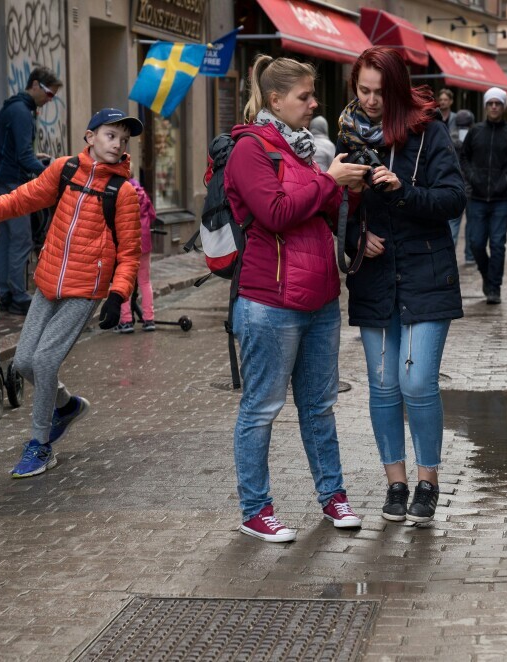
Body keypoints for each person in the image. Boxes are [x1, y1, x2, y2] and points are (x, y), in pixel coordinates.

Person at [224, 54, 371, 543]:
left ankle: (334, 498)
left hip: (321, 297)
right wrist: (329, 181)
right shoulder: (250, 150)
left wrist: (348, 188)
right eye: (304, 96)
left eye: (313, 95)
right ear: (275, 100)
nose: (314, 103)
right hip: (269, 301)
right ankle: (255, 509)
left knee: (319, 407)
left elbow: (323, 209)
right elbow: (275, 212)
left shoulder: (303, 149)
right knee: (261, 409)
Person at [0, 108, 143, 478]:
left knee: (43, 362)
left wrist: (118, 296)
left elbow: (130, 252)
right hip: (49, 281)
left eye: (123, 139)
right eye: (110, 135)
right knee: (23, 362)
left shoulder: (123, 193)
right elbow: (23, 198)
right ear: (90, 137)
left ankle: (40, 445)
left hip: (86, 289)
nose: (117, 144)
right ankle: (67, 406)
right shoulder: (65, 170)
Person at [338, 47, 466, 524]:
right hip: (375, 279)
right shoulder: (347, 139)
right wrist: (356, 236)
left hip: (425, 274)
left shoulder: (427, 132)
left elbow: (454, 198)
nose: (371, 100)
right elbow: (338, 208)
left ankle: (427, 482)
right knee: (384, 385)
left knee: (417, 381)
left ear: (396, 88)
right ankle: (396, 482)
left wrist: (404, 191)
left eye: (380, 91)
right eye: (363, 90)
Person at [0, 66, 63, 315]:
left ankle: (3, 293)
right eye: (49, 94)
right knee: (21, 238)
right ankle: (18, 295)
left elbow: (14, 151)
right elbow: (22, 157)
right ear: (35, 85)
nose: (49, 99)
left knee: (8, 239)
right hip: (14, 183)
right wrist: (51, 172)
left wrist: (36, 158)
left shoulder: (14, 108)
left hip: (5, 181)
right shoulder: (22, 112)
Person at [461, 87, 507, 304]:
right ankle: (487, 275)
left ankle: (495, 287)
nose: (494, 107)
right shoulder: (475, 131)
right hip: (476, 197)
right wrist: (472, 177)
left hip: (502, 198)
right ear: (486, 106)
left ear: (503, 107)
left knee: (497, 243)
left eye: (498, 103)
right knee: (476, 242)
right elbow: (463, 157)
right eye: (490, 103)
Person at [116, 177, 157, 333]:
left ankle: (126, 321)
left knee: (124, 282)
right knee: (145, 282)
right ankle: (149, 319)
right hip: (143, 242)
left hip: (126, 243)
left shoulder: (120, 192)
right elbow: (152, 214)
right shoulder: (142, 193)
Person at [450, 109, 475, 264]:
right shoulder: (475, 136)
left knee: (453, 224)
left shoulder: (448, 137)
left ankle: (450, 255)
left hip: (455, 186)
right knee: (471, 224)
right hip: (471, 187)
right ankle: (470, 256)